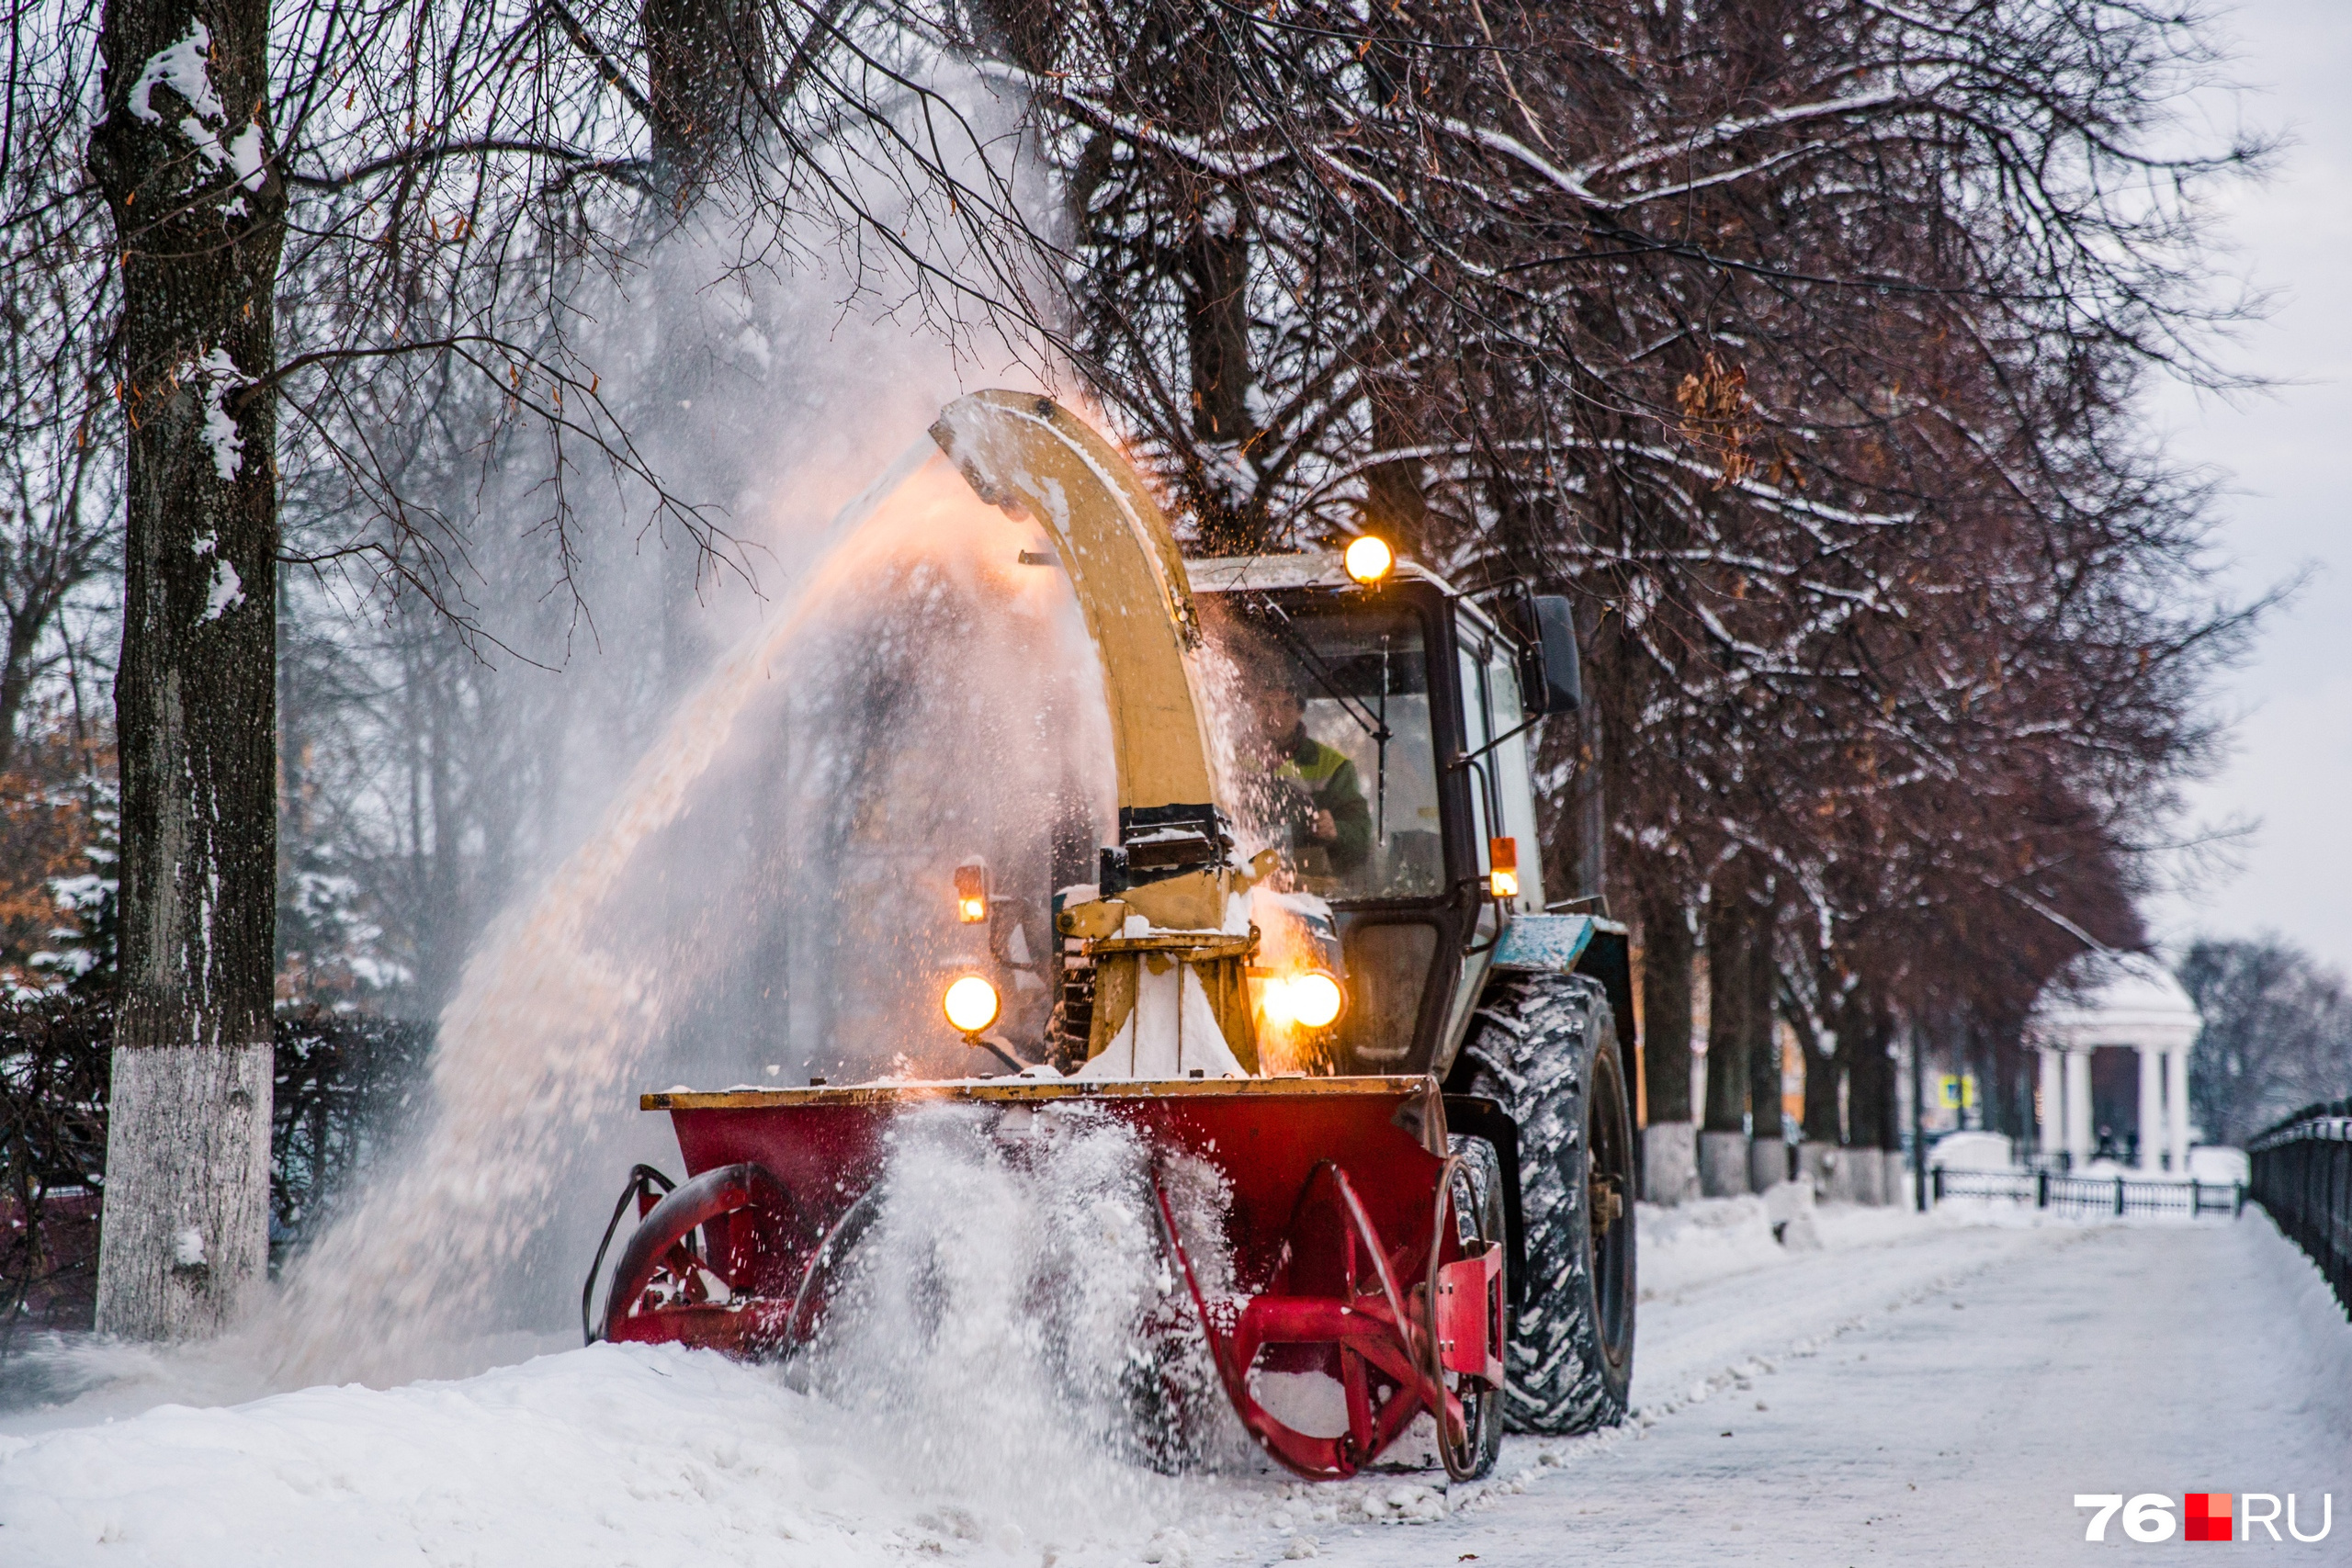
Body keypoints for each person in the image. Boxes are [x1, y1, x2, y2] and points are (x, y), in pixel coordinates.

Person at [1248, 676, 1372, 879]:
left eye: (1286, 704)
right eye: (1264, 703)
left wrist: (1336, 830)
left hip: (1310, 886)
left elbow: (1362, 837)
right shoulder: (1226, 758)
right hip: (1244, 885)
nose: (1274, 714)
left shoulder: (1334, 766)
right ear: (1253, 706)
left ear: (1300, 710)